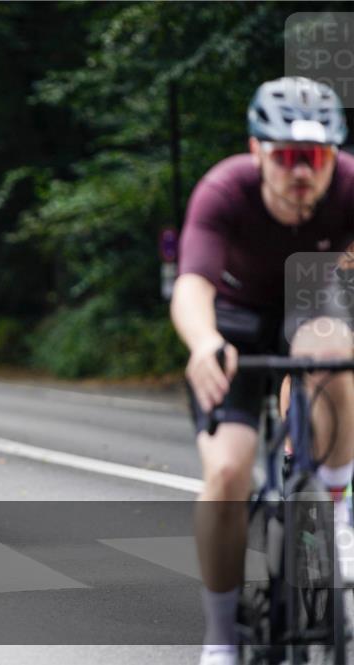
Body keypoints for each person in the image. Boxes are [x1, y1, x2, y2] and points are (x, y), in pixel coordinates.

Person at [171, 77, 354, 665]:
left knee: (331, 348)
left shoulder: (350, 187)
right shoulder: (224, 189)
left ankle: (337, 499)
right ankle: (221, 634)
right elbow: (192, 285)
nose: (302, 172)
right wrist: (203, 343)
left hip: (314, 309)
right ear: (257, 151)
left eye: (315, 157)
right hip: (236, 321)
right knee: (227, 474)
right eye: (286, 157)